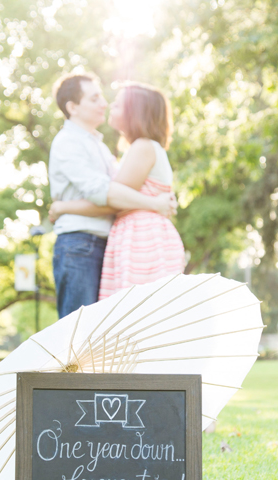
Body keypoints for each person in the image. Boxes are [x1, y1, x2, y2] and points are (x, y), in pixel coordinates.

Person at [48, 73, 176, 318]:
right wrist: (153, 203)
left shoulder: (102, 146)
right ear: (73, 107)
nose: (104, 104)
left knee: (103, 331)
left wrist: (63, 206)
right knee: (79, 334)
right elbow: (105, 196)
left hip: (99, 243)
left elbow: (116, 199)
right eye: (95, 98)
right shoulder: (68, 142)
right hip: (80, 243)